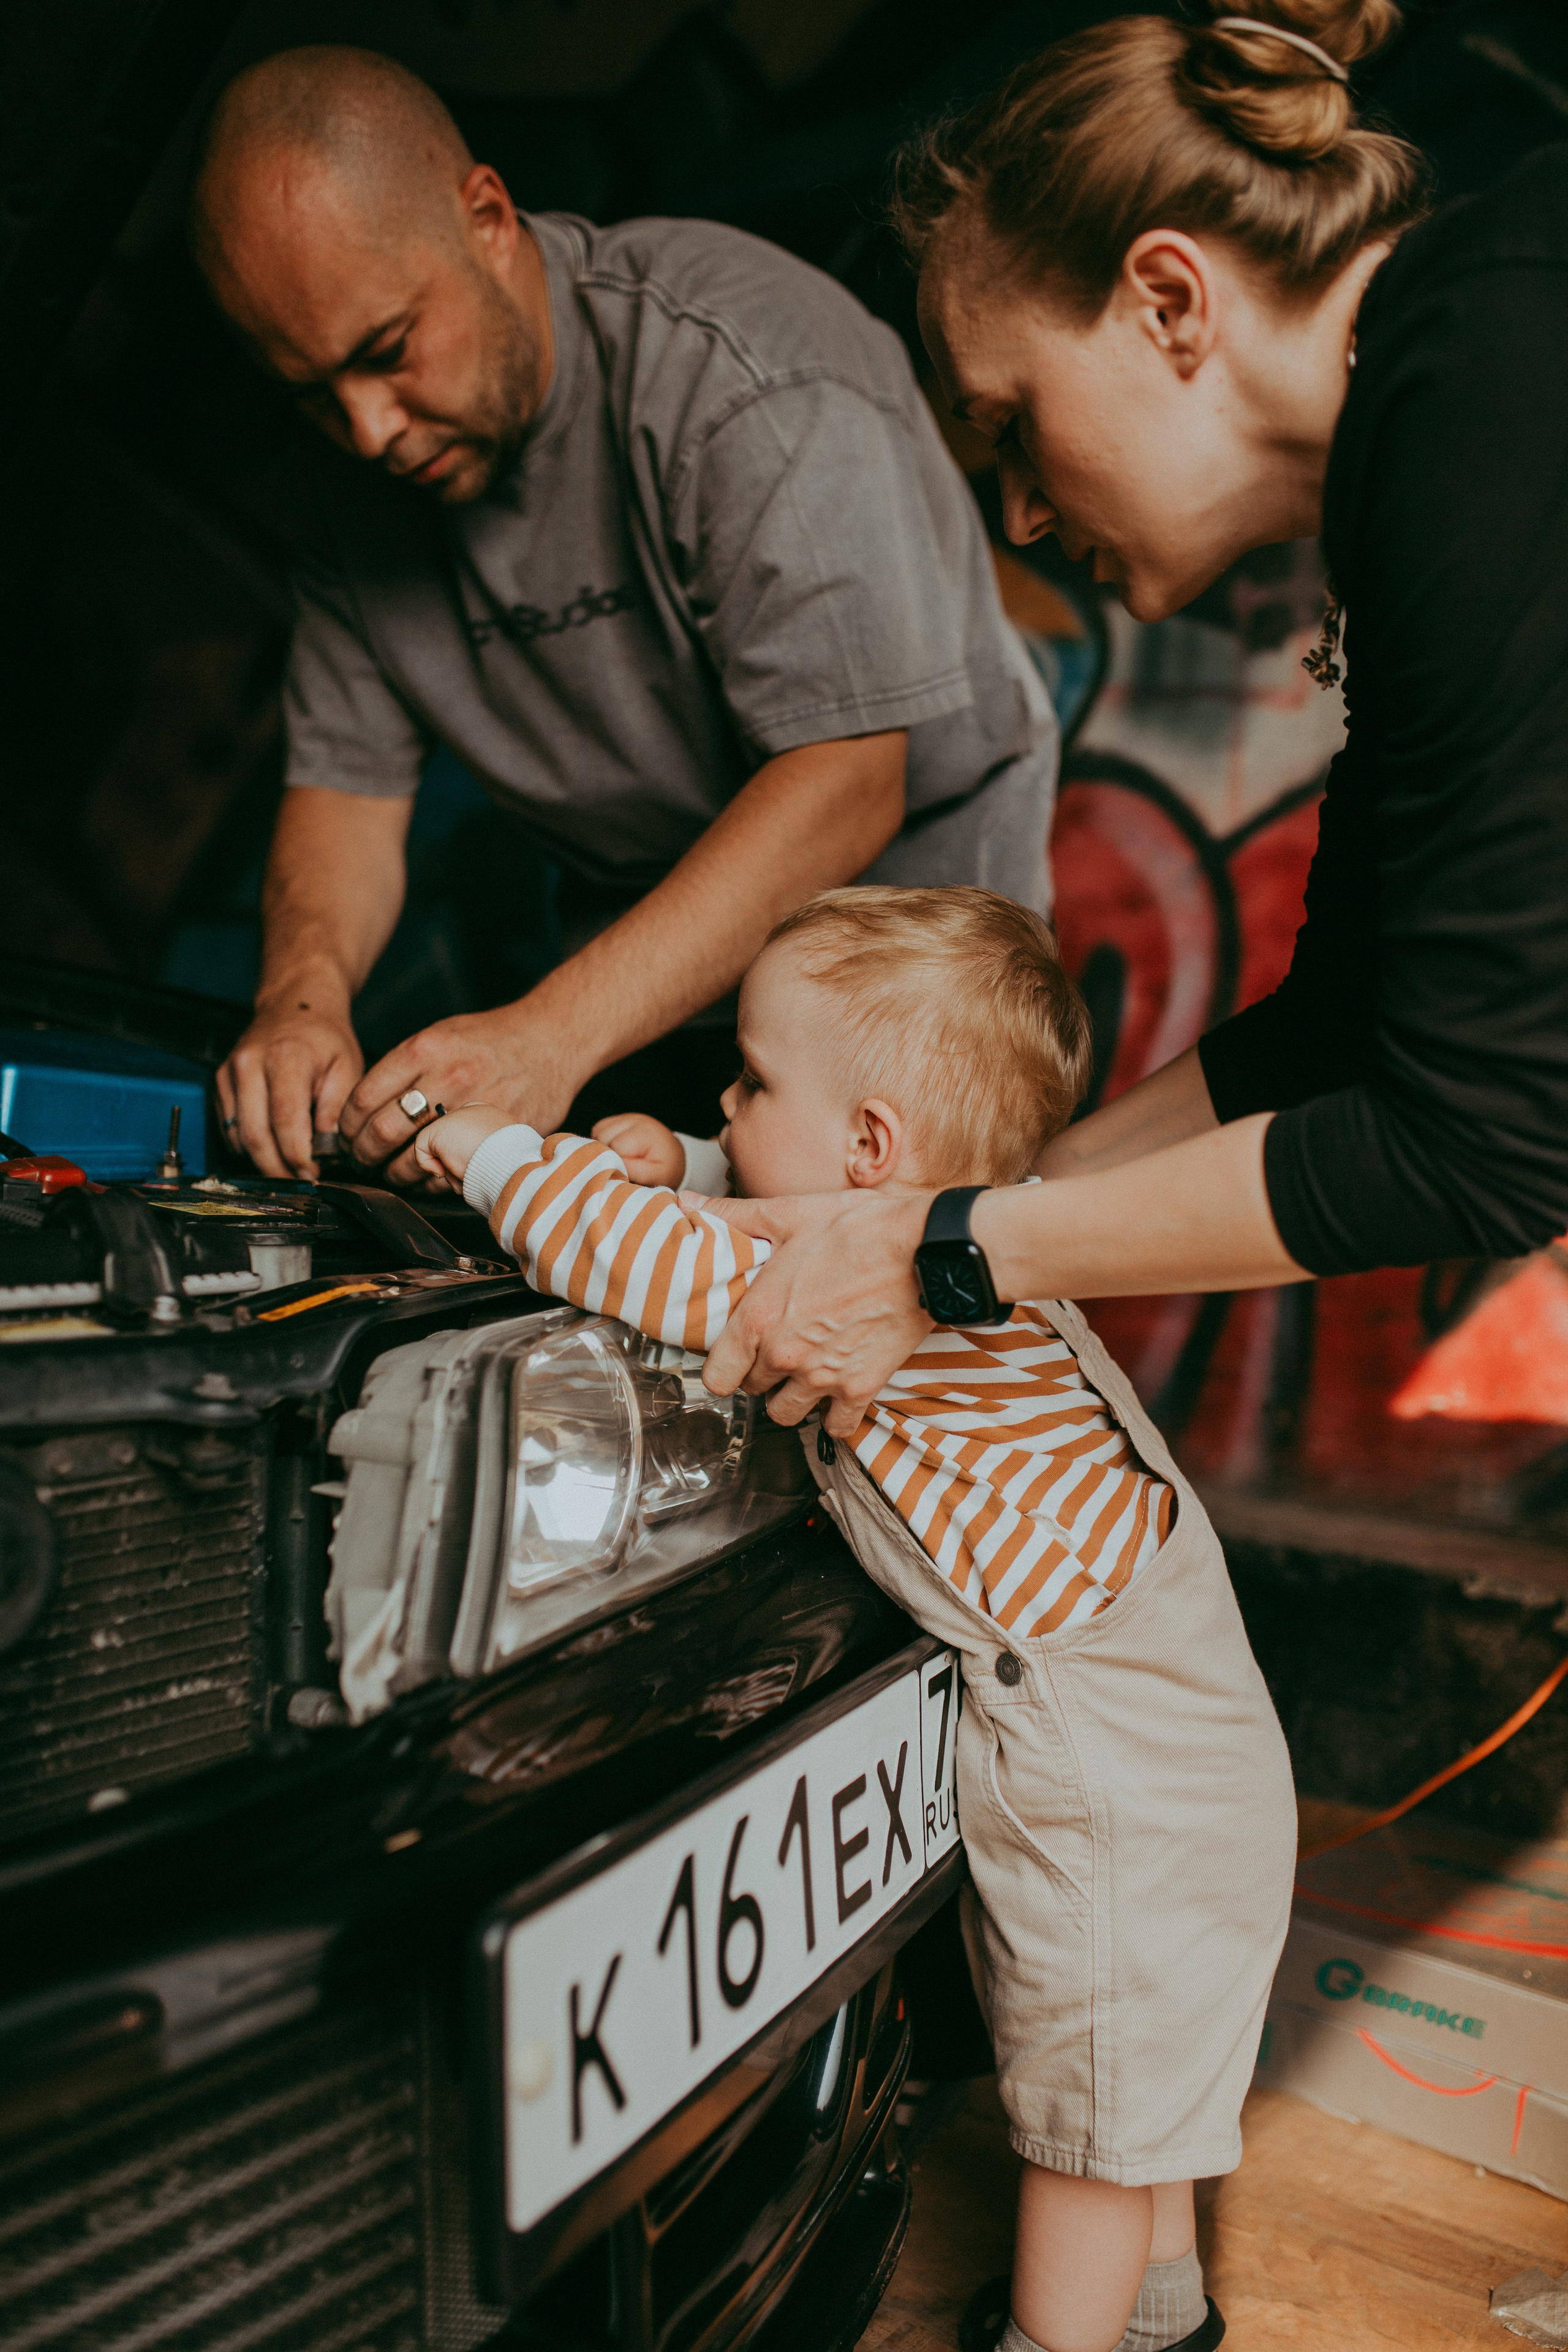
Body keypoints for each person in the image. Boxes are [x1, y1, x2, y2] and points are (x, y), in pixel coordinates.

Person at [692, 0, 1568, 1500]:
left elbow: (1482, 1144)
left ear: (1168, 302)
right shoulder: (1437, 403)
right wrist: (975, 1198)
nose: (1019, 512)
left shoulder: (1482, 386)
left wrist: (947, 1255)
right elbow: (1345, 1022)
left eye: (1012, 422)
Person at [417, 884, 1294, 2352]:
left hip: (1112, 1763)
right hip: (1196, 1729)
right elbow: (800, 1191)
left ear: (874, 1144)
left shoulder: (869, 1297)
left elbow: (633, 1260)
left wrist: (498, 1152)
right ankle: (1162, 2321)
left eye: (747, 1079)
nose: (721, 1094)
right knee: (1149, 2084)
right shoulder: (982, 1238)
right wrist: (691, 1154)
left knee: (1084, 2124)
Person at [188, 46, 1057, 1185]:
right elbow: (348, 792)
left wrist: (549, 1035)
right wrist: (299, 1003)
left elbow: (846, 778)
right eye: (312, 391)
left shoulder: (746, 373)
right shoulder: (350, 486)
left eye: (388, 352)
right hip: (641, 965)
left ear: (487, 217)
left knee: (883, 1319)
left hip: (903, 982)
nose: (366, 430)